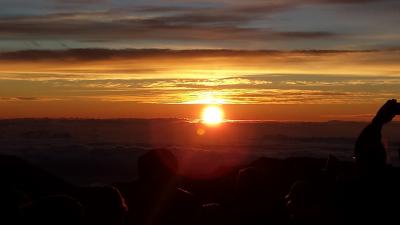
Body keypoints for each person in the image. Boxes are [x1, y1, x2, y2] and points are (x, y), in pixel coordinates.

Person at [354, 99, 398, 175]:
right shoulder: (372, 131)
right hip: (370, 171)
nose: (392, 117)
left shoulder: (373, 130)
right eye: (391, 115)